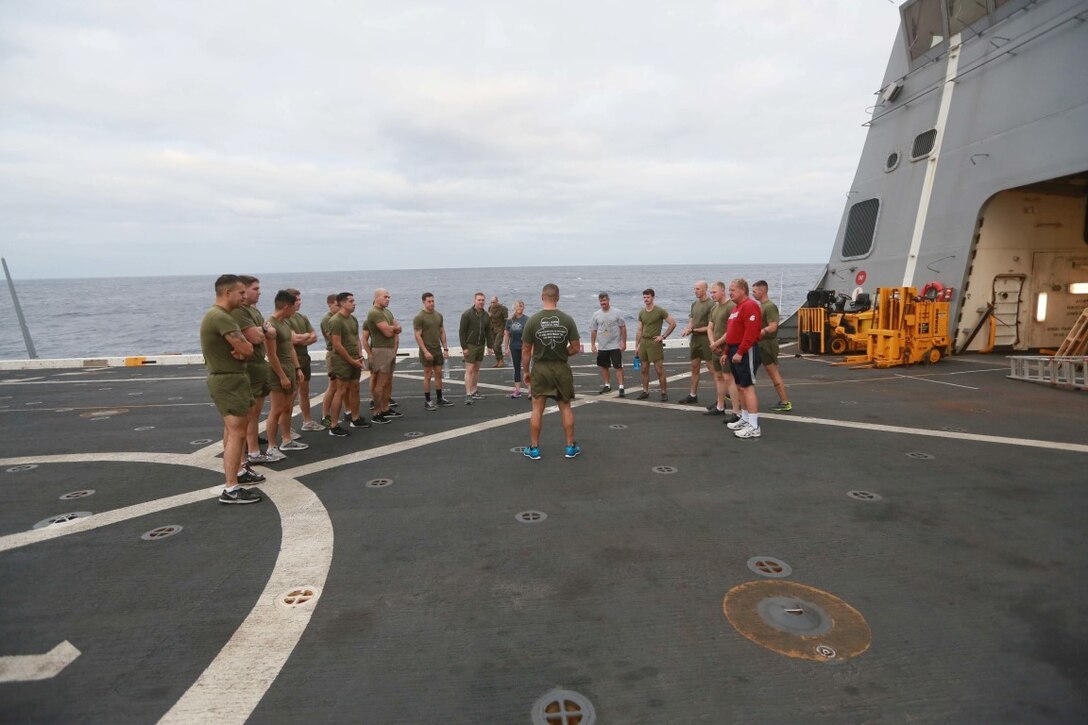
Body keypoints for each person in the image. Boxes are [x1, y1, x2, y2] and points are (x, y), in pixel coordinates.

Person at [199, 274, 260, 504]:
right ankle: (231, 488)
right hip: (228, 380)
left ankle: (237, 475)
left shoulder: (219, 316)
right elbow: (248, 349)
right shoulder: (221, 317)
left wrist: (244, 348)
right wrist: (244, 348)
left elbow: (246, 348)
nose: (244, 297)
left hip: (233, 378)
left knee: (233, 432)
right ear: (227, 293)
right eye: (241, 293)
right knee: (236, 434)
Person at [522, 283, 581, 460]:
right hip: (561, 367)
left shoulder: (533, 320)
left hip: (540, 368)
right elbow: (576, 347)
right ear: (558, 297)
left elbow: (526, 350)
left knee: (537, 409)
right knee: (565, 407)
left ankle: (534, 448)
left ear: (542, 297)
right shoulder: (567, 319)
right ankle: (570, 446)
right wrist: (563, 352)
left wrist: (526, 371)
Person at [231, 276, 273, 480]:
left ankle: (254, 452)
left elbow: (267, 333)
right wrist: (263, 330)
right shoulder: (239, 312)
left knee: (254, 414)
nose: (259, 292)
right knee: (243, 419)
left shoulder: (253, 311)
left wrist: (263, 330)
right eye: (255, 288)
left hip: (258, 364)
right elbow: (257, 336)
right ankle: (240, 464)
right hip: (247, 369)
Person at [265, 290, 308, 459]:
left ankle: (287, 439)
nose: (295, 309)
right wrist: (282, 376)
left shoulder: (285, 323)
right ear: (286, 306)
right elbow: (271, 354)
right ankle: (271, 446)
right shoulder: (271, 324)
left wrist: (297, 369)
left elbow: (290, 348)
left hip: (290, 368)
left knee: (287, 407)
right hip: (278, 370)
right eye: (293, 306)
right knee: (276, 409)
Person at [722, 278, 764, 439]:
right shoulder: (736, 309)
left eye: (732, 290)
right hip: (734, 349)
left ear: (742, 290)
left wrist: (740, 351)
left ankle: (754, 426)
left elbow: (751, 333)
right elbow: (732, 332)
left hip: (746, 350)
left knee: (747, 387)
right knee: (740, 387)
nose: (729, 292)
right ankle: (745, 419)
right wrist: (727, 351)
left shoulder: (750, 306)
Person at [326, 291, 366, 437]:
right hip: (342, 361)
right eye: (351, 301)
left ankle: (355, 418)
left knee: (355, 387)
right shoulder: (336, 321)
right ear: (342, 303)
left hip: (355, 358)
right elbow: (337, 344)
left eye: (354, 301)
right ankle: (334, 425)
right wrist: (351, 360)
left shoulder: (353, 319)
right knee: (341, 391)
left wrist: (360, 355)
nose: (354, 303)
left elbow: (356, 339)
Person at [752, 280, 793, 412]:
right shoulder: (760, 306)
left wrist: (761, 332)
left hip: (767, 344)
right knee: (748, 371)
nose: (753, 294)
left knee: (773, 373)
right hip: (759, 344)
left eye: (755, 291)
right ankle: (737, 394)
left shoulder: (769, 306)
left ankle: (785, 402)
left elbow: (773, 326)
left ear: (762, 291)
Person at [365, 288, 403, 424]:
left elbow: (398, 327)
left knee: (387, 382)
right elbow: (388, 332)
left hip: (389, 349)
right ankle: (377, 412)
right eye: (385, 297)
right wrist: (393, 328)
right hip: (380, 350)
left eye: (389, 297)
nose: (388, 299)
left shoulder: (387, 312)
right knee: (379, 383)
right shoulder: (374, 313)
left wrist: (393, 328)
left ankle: (386, 408)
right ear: (377, 298)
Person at [286, 288, 322, 431]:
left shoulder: (302, 317)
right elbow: (294, 339)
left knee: (304, 391)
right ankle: (287, 428)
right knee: (291, 395)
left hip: (304, 357)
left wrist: (304, 338)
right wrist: (305, 337)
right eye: (296, 300)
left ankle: (307, 421)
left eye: (300, 299)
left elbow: (314, 337)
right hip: (292, 359)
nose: (299, 303)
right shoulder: (284, 319)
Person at [706, 280, 742, 422]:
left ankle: (736, 411)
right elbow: (710, 327)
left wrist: (717, 343)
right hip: (716, 348)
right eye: (711, 292)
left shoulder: (731, 306)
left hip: (727, 348)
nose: (712, 295)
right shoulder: (714, 309)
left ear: (723, 291)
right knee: (718, 377)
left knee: (729, 378)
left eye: (714, 292)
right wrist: (712, 343)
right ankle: (720, 406)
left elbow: (731, 330)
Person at [413, 292, 454, 410]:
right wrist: (425, 351)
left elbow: (442, 332)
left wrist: (445, 348)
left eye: (433, 301)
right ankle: (427, 400)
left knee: (438, 374)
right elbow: (417, 335)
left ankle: (440, 398)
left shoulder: (438, 315)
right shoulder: (419, 317)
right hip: (427, 350)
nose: (431, 303)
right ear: (424, 302)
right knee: (427, 375)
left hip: (437, 350)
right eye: (429, 301)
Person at [634, 288, 676, 401]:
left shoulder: (660, 311)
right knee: (644, 369)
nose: (646, 299)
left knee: (659, 369)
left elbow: (672, 323)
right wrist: (636, 345)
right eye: (644, 297)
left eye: (648, 297)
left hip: (654, 342)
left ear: (653, 297)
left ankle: (663, 392)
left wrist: (663, 336)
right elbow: (639, 330)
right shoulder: (642, 312)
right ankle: (645, 391)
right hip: (644, 342)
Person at [679, 280, 714, 405]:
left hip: (706, 339)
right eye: (694, 289)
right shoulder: (694, 304)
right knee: (694, 367)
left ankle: (721, 397)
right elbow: (692, 320)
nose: (695, 291)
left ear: (705, 289)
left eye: (698, 289)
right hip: (695, 339)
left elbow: (711, 326)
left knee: (711, 368)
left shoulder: (711, 305)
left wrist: (693, 330)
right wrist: (688, 329)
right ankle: (692, 394)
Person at [589, 292, 626, 396]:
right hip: (602, 346)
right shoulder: (596, 315)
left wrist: (623, 342)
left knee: (618, 367)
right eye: (601, 301)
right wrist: (592, 344)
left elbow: (623, 327)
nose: (603, 302)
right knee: (604, 366)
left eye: (604, 300)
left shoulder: (617, 312)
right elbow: (593, 330)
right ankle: (607, 385)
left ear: (608, 300)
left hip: (615, 345)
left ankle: (621, 387)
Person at [459, 292, 489, 404]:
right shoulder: (467, 314)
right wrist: (464, 347)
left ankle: (474, 390)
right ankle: (468, 394)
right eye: (479, 300)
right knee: (469, 369)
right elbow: (462, 332)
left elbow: (488, 332)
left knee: (476, 369)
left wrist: (489, 346)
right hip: (470, 345)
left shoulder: (486, 315)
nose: (481, 302)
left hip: (481, 345)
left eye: (482, 300)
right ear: (474, 301)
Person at [318, 294, 339, 427]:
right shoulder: (327, 319)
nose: (339, 307)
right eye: (337, 305)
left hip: (340, 354)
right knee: (332, 386)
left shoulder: (338, 318)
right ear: (330, 304)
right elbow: (332, 338)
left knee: (341, 387)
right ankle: (325, 415)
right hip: (333, 354)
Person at [503, 299, 529, 398]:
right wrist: (506, 348)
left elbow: (530, 335)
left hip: (524, 348)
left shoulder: (527, 320)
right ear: (514, 307)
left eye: (521, 306)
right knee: (516, 368)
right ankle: (517, 390)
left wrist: (531, 348)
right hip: (514, 347)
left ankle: (530, 390)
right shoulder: (510, 320)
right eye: (518, 306)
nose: (520, 308)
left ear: (523, 308)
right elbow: (507, 334)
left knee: (527, 368)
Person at [488, 295, 509, 367]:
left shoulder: (503, 309)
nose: (492, 304)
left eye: (493, 302)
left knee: (497, 345)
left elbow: (506, 320)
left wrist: (506, 330)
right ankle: (498, 360)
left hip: (500, 329)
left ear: (497, 301)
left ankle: (501, 360)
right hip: (492, 329)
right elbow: (489, 318)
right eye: (491, 302)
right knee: (494, 346)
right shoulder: (490, 308)